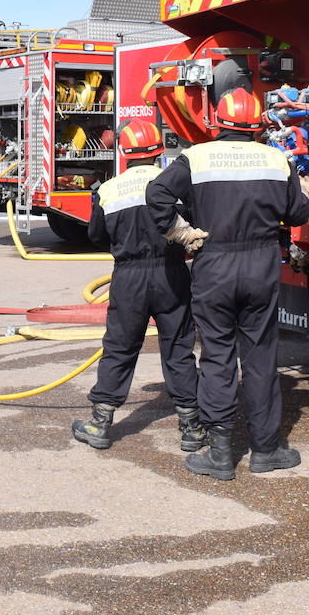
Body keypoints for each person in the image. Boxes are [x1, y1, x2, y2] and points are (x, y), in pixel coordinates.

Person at [145, 88, 309, 480]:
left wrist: (180, 232)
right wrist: (303, 192)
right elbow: (296, 213)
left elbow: (157, 194)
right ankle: (266, 451)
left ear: (217, 123)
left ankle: (220, 453)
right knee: (260, 355)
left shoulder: (196, 157)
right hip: (261, 263)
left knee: (218, 354)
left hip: (214, 261)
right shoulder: (277, 159)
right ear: (258, 125)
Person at [71, 119, 211, 452]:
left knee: (119, 347)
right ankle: (191, 428)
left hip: (129, 278)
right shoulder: (174, 186)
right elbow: (193, 224)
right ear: (158, 150)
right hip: (171, 273)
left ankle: (100, 422)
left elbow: (95, 236)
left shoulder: (108, 189)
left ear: (124, 151)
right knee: (178, 347)